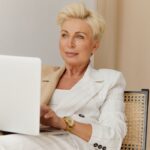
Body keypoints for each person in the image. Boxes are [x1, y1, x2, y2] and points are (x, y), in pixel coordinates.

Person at [0, 2, 127, 150]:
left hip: (74, 144)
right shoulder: (41, 74)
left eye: (79, 37)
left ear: (95, 45)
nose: (70, 44)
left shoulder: (110, 80)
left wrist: (63, 122)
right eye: (64, 35)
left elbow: (114, 139)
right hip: (33, 139)